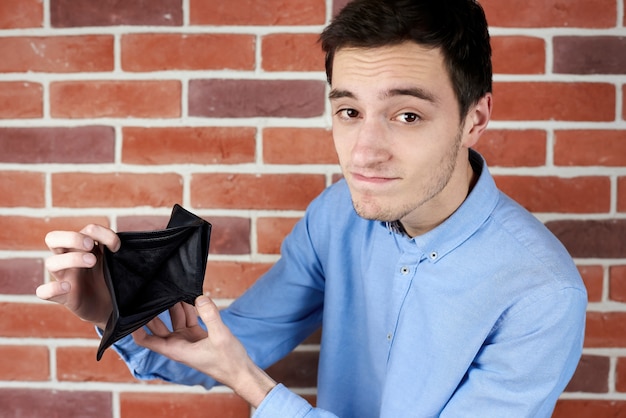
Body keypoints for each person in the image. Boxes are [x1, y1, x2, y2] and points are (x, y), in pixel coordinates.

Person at [37, 0, 587, 416]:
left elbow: (239, 365)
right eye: (349, 111)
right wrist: (115, 309)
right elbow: (229, 345)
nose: (364, 153)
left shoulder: (541, 293)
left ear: (476, 119)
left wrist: (253, 385)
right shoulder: (335, 217)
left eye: (407, 116)